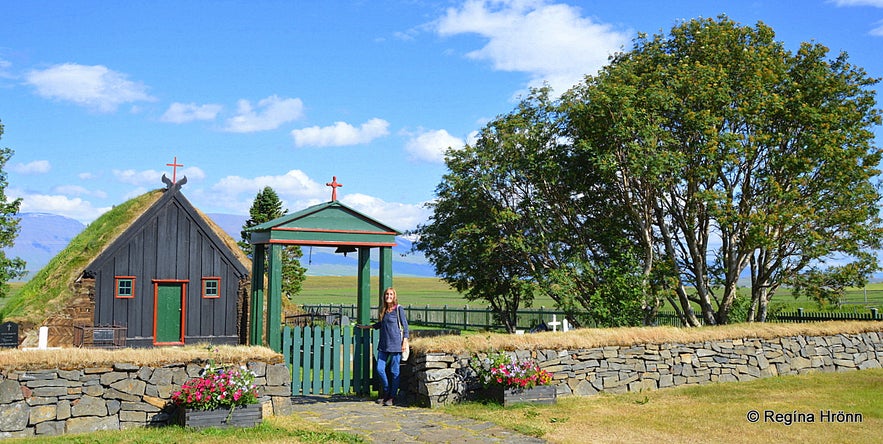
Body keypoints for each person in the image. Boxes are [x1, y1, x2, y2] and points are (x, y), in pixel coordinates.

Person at [357, 287, 409, 406]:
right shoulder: (384, 310)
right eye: (386, 294)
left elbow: (405, 326)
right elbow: (381, 324)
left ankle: (392, 396)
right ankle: (386, 391)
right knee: (380, 369)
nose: (388, 296)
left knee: (394, 371)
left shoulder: (399, 309)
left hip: (396, 345)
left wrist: (404, 342)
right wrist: (368, 327)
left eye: (391, 294)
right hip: (384, 345)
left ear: (394, 296)